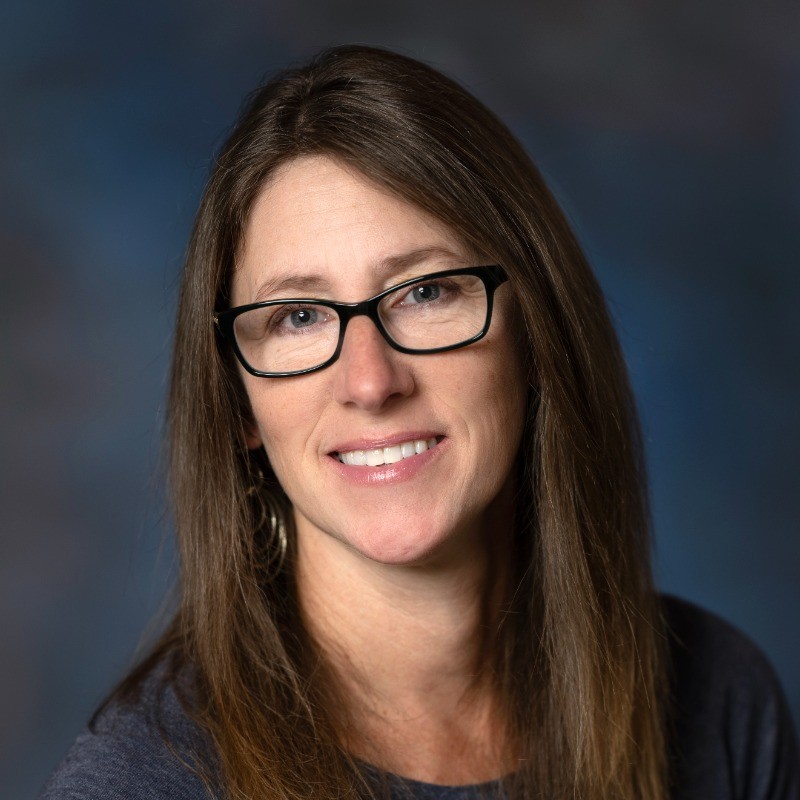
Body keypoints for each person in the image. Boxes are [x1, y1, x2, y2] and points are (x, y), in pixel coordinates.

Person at [40, 44, 799, 800]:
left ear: (537, 335)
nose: (370, 382)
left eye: (426, 293)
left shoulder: (718, 704)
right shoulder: (141, 781)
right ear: (238, 403)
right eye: (298, 317)